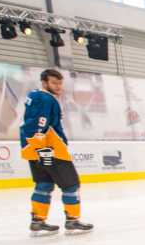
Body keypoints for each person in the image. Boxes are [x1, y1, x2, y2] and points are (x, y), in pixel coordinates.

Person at [19, 68, 92, 234]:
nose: (58, 86)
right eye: (54, 83)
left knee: (43, 184)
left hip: (33, 149)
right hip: (51, 149)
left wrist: (36, 148)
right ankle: (73, 220)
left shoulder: (34, 96)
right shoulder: (46, 99)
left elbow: (30, 124)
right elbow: (40, 123)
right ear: (45, 83)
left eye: (60, 83)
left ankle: (38, 221)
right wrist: (43, 148)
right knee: (71, 184)